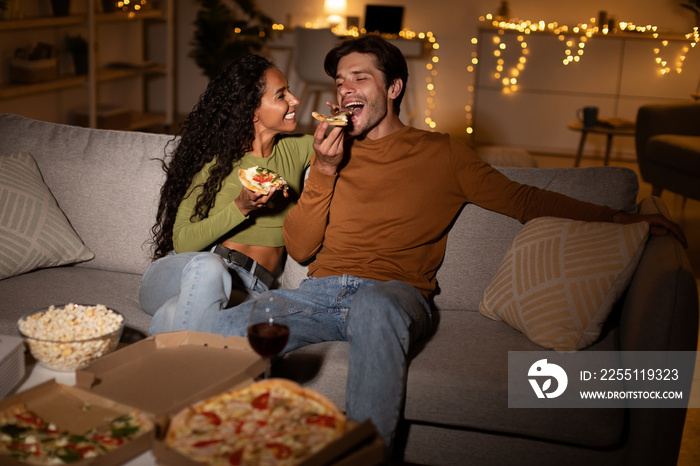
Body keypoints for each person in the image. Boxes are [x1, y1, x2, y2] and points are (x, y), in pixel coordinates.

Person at [148, 36, 687, 457]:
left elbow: (522, 199)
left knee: (377, 306)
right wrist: (326, 172)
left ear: (394, 88)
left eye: (361, 77)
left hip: (394, 293)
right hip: (319, 294)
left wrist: (618, 216)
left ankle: (363, 456)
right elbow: (303, 248)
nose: (346, 89)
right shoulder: (324, 153)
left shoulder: (442, 153)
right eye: (340, 80)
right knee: (207, 331)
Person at [139, 54, 313, 327]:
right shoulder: (215, 161)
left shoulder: (300, 148)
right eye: (282, 95)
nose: (295, 100)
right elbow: (183, 242)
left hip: (251, 288)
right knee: (211, 268)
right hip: (189, 269)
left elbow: (356, 151)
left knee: (184, 316)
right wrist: (240, 208)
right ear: (253, 110)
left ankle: (172, 343)